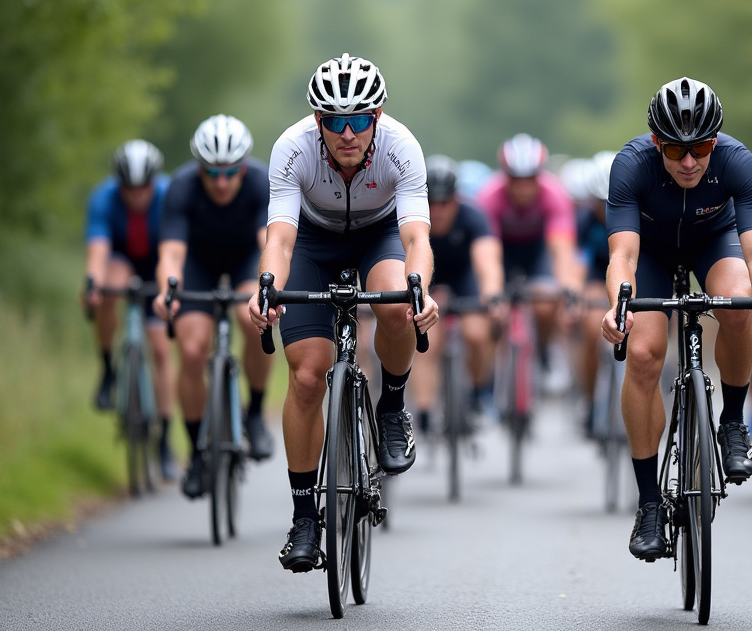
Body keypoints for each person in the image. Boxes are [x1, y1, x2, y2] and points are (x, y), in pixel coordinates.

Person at [246, 54, 439, 573]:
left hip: (378, 237)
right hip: (313, 241)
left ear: (377, 118)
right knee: (308, 377)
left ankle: (392, 406)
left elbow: (416, 236)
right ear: (318, 122)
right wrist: (267, 289)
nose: (347, 132)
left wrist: (419, 287)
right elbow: (281, 239)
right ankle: (305, 517)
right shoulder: (292, 149)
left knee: (397, 305)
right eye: (334, 120)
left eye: (359, 119)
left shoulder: (402, 147)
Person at [599, 77, 752, 561]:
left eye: (701, 147)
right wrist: (619, 304)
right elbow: (622, 255)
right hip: (653, 253)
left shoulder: (737, 162)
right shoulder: (631, 166)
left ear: (717, 140)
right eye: (676, 149)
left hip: (714, 242)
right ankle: (647, 503)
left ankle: (731, 421)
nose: (689, 161)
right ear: (655, 141)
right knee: (642, 355)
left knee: (740, 304)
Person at [153, 115, 275, 499]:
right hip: (199, 263)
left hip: (245, 260)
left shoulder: (260, 182)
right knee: (191, 350)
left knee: (251, 316)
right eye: (211, 172)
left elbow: (267, 240)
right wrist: (166, 292)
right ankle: (198, 453)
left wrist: (265, 289)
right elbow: (171, 252)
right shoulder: (182, 186)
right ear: (198, 168)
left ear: (244, 166)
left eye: (230, 172)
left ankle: (254, 412)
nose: (221, 182)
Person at [83, 140, 178, 479]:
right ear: (119, 184)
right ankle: (108, 368)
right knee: (108, 288)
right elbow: (98, 249)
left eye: (143, 188)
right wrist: (92, 284)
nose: (137, 196)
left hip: (157, 261)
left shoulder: (168, 195)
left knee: (161, 351)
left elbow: (174, 250)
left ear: (154, 181)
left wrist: (172, 288)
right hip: (122, 259)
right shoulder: (103, 199)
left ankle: (165, 442)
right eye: (129, 189)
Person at [476, 134, 582, 385]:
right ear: (505, 176)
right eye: (515, 180)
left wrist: (568, 288)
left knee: (546, 304)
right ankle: (491, 372)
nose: (523, 187)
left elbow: (562, 249)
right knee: (493, 309)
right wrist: (492, 292)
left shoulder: (555, 194)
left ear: (539, 176)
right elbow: (487, 253)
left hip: (538, 252)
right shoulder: (488, 197)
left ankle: (544, 350)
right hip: (502, 252)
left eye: (529, 179)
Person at [410, 155, 504, 436]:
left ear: (456, 199)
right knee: (425, 341)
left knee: (477, 332)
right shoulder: (413, 218)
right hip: (428, 278)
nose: (437, 211)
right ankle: (425, 411)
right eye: (431, 203)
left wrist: (493, 295)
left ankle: (477, 389)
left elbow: (488, 262)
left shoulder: (473, 216)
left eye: (445, 202)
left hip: (464, 277)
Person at [575, 151, 616, 436]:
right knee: (592, 330)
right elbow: (577, 262)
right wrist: (575, 297)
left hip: (633, 271)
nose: (606, 209)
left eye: (612, 202)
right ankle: (591, 400)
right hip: (597, 274)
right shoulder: (585, 221)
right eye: (600, 203)